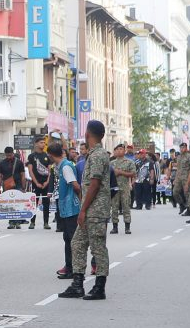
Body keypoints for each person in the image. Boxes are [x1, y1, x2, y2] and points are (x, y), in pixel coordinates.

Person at [59, 120, 111, 301]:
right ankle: (78, 284)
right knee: (78, 243)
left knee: (98, 248)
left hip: (95, 210)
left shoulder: (98, 155)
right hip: (90, 209)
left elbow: (95, 184)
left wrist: (83, 210)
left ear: (88, 135)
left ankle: (99, 287)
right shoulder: (93, 154)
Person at [49, 142, 82, 279]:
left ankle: (74, 268)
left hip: (71, 208)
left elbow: (75, 186)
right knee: (68, 238)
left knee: (72, 239)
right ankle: (69, 266)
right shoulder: (61, 166)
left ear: (50, 155)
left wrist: (81, 204)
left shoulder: (66, 167)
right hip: (66, 208)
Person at [26, 138, 53, 230]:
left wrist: (47, 182)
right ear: (36, 144)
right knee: (34, 203)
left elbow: (50, 171)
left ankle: (46, 222)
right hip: (35, 184)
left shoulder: (47, 156)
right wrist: (36, 182)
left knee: (46, 203)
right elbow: (30, 171)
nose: (43, 144)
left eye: (44, 143)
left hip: (45, 183)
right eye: (41, 142)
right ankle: (32, 222)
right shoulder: (31, 156)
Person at [0, 147, 25, 229]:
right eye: (7, 155)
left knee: (18, 204)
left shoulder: (19, 162)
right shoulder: (1, 163)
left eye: (10, 155)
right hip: (7, 186)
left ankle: (18, 222)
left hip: (18, 185)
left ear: (13, 153)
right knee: (9, 204)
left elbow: (22, 175)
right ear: (5, 154)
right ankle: (11, 222)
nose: (9, 156)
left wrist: (23, 187)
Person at [109, 145, 135, 234]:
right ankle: (114, 227)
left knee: (126, 206)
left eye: (121, 149)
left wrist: (121, 172)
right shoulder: (111, 163)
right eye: (117, 149)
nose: (119, 151)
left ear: (124, 151)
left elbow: (133, 173)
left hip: (125, 188)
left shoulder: (129, 162)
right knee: (114, 207)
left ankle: (127, 227)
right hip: (114, 188)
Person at [173, 142, 190, 215]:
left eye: (183, 148)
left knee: (187, 194)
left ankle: (189, 209)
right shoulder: (179, 157)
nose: (182, 149)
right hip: (179, 177)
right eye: (181, 148)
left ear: (186, 148)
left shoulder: (189, 157)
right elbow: (178, 169)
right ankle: (182, 205)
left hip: (187, 178)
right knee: (175, 192)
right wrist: (176, 179)